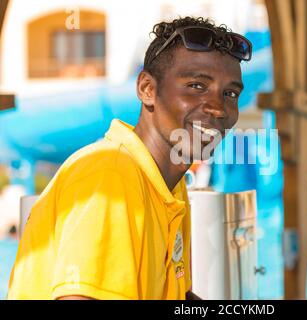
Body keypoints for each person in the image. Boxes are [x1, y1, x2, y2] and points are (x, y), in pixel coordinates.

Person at [7, 16, 251, 300]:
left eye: (230, 93)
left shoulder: (169, 188)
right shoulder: (110, 174)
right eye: (196, 86)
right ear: (147, 89)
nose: (218, 109)